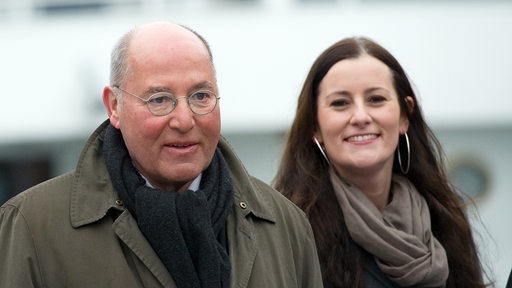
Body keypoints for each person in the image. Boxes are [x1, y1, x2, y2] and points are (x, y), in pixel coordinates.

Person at [0, 21, 323, 288]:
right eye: (159, 99)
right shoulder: (32, 227)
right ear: (114, 106)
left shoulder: (286, 226)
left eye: (200, 96)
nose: (184, 120)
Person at [273, 36, 488, 287]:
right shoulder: (288, 232)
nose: (361, 116)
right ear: (315, 126)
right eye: (340, 103)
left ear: (404, 115)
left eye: (376, 99)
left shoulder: (447, 219)